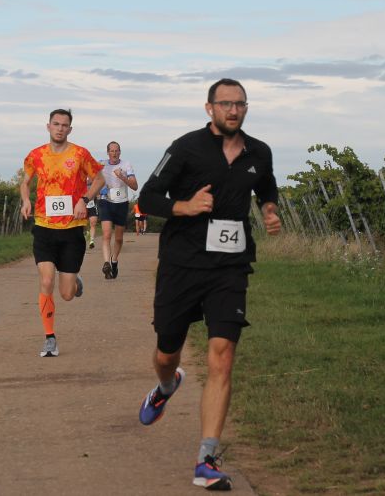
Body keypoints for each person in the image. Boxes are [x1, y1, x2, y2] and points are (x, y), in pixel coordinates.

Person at [137, 78, 281, 491]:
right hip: (181, 264)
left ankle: (207, 460)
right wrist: (184, 206)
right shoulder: (186, 147)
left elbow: (266, 186)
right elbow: (148, 197)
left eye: (240, 104)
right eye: (226, 104)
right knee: (167, 351)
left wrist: (269, 209)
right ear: (209, 108)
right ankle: (166, 386)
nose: (234, 110)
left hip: (230, 267)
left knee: (223, 355)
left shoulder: (259, 152)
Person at [20, 108, 105, 358]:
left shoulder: (80, 154)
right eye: (55, 124)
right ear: (48, 126)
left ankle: (74, 281)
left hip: (71, 230)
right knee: (46, 281)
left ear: (70, 129)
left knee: (66, 294)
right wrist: (25, 200)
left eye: (64, 125)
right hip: (44, 227)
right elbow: (25, 182)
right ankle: (49, 338)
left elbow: (99, 179)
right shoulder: (36, 155)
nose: (59, 128)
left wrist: (84, 200)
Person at [96, 141, 137, 279]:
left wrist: (122, 177)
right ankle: (106, 263)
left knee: (118, 238)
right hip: (105, 201)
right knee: (107, 234)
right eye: (112, 151)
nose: (114, 153)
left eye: (116, 150)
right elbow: (91, 179)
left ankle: (114, 261)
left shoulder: (126, 165)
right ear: (108, 152)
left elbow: (135, 186)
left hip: (121, 203)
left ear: (120, 152)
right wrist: (98, 190)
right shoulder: (101, 164)